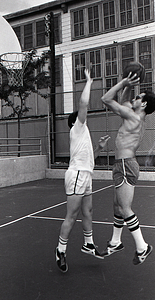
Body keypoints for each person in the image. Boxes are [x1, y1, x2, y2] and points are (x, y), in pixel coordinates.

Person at [55, 69, 110, 273]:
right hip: (77, 175)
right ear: (75, 121)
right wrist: (89, 81)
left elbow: (89, 160)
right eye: (80, 116)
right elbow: (83, 104)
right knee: (72, 215)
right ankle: (60, 250)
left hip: (85, 174)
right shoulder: (76, 127)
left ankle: (88, 243)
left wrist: (99, 149)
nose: (84, 116)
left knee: (88, 211)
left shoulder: (82, 134)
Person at [101, 71, 155, 265]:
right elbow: (124, 102)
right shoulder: (136, 117)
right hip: (123, 164)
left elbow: (106, 99)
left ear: (145, 104)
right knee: (117, 206)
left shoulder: (133, 117)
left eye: (138, 97)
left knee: (125, 207)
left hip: (125, 165)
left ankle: (142, 247)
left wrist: (123, 82)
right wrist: (129, 87)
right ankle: (116, 241)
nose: (134, 98)